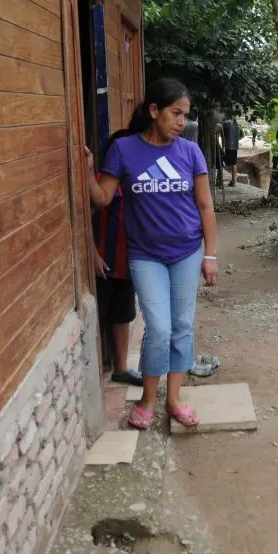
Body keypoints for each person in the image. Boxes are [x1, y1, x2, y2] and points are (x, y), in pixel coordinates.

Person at [85, 78, 219, 430]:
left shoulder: (190, 152)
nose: (181, 122)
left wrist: (211, 255)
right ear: (154, 110)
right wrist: (86, 172)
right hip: (145, 255)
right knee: (158, 328)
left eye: (185, 115)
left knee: (182, 325)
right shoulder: (125, 150)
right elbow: (101, 199)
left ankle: (174, 399)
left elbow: (205, 206)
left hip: (187, 251)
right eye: (175, 113)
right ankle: (147, 399)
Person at [92, 129, 144, 387]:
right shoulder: (100, 182)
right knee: (100, 313)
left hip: (129, 263)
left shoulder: (138, 181)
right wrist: (92, 253)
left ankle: (121, 369)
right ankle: (95, 368)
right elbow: (82, 218)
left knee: (123, 315)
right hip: (105, 262)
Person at [221, 117, 241, 187]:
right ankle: (233, 181)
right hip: (235, 146)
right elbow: (241, 135)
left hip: (228, 145)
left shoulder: (225, 123)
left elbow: (222, 135)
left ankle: (219, 179)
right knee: (233, 163)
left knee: (221, 161)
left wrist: (223, 146)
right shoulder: (236, 124)